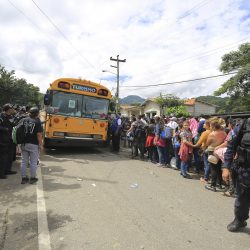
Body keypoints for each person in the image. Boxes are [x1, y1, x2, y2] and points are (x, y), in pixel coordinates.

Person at [222, 118, 250, 232]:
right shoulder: (244, 125)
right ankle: (239, 220)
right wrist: (226, 167)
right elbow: (231, 146)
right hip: (245, 171)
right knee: (242, 199)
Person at [20, 107, 43, 184]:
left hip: (24, 143)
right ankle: (32, 178)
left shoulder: (23, 120)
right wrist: (41, 145)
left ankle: (24, 178)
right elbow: (39, 134)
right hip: (33, 144)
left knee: (24, 161)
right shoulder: (37, 121)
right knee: (33, 162)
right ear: (37, 114)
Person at [0, 104, 16, 178]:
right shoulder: (1, 116)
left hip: (10, 139)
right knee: (3, 157)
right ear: (8, 109)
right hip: (3, 140)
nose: (13, 109)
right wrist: (4, 129)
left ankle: (7, 170)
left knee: (10, 156)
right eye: (11, 108)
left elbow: (14, 124)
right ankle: (1, 174)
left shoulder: (11, 117)